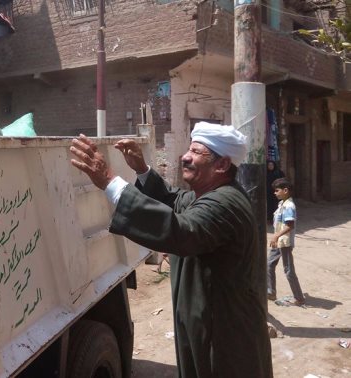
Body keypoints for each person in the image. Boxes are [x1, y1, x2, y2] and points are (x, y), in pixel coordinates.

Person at [69, 122, 272, 378]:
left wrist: (109, 180)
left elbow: (180, 231)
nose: (185, 156)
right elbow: (174, 200)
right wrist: (142, 170)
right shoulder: (207, 195)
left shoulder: (224, 203)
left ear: (221, 165)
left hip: (223, 335)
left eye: (197, 152)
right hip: (209, 325)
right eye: (189, 149)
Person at [267, 177, 305, 306]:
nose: (275, 193)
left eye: (277, 190)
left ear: (285, 190)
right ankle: (271, 291)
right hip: (278, 241)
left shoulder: (289, 206)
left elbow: (290, 225)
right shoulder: (282, 204)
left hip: (285, 243)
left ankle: (299, 298)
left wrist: (276, 236)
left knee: (288, 270)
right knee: (269, 264)